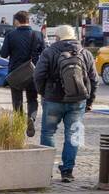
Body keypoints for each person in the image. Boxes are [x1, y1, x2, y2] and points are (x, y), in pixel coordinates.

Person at [33, 24, 97, 183]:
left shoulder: (49, 52)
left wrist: (43, 93)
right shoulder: (86, 53)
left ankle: (46, 170)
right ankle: (67, 171)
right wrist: (89, 101)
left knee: (48, 133)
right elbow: (94, 80)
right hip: (77, 100)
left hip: (53, 99)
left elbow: (38, 75)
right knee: (73, 134)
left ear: (58, 37)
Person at [0, 10, 45, 137]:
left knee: (17, 101)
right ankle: (31, 118)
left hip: (15, 72)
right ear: (28, 20)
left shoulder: (10, 35)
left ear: (16, 21)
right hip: (32, 72)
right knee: (32, 99)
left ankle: (19, 126)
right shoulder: (38, 35)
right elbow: (45, 53)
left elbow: (3, 54)